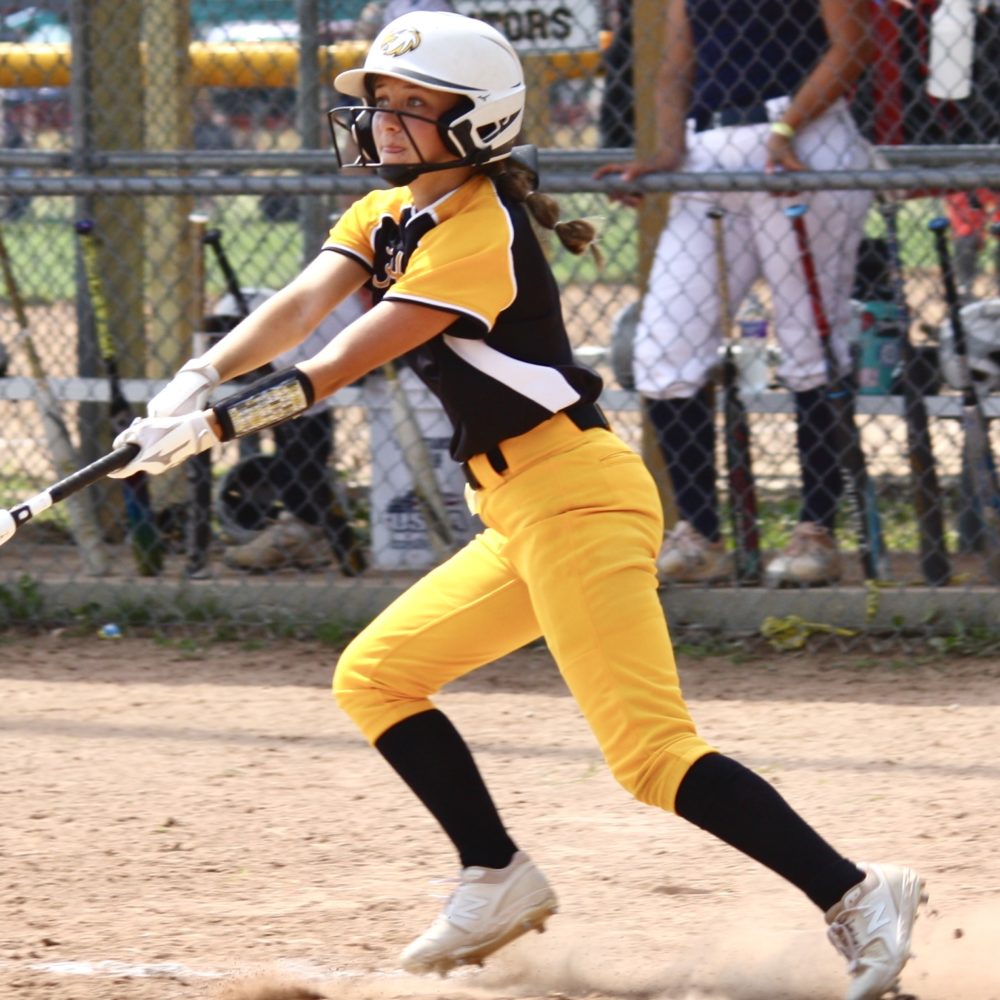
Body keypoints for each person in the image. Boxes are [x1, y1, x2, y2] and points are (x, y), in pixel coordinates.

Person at [106, 12, 925, 999]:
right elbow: (298, 308)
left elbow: (340, 361)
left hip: (577, 501)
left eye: (415, 105)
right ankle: (495, 875)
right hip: (519, 510)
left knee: (650, 754)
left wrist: (213, 428)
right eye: (382, 100)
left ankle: (857, 894)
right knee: (377, 676)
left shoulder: (478, 232)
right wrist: (190, 383)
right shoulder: (388, 212)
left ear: (478, 121)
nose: (386, 119)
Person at [595, 0, 875, 586]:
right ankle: (700, 533)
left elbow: (851, 47)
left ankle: (816, 532)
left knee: (809, 344)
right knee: (663, 348)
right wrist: (668, 149)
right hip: (707, 150)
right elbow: (676, 66)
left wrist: (787, 126)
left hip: (802, 139)